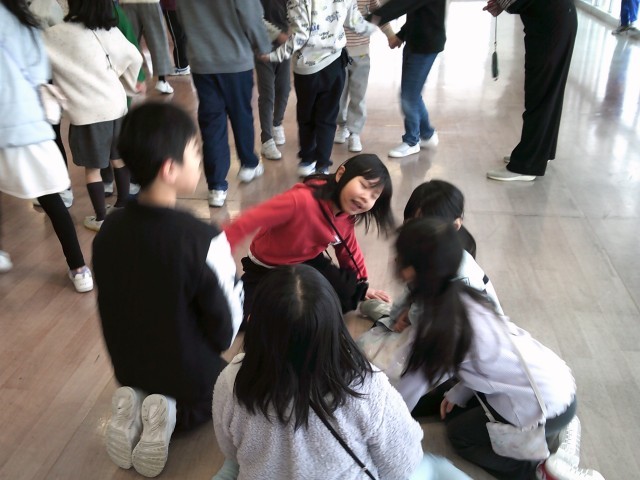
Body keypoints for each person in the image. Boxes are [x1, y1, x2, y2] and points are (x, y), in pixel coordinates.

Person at [387, 218, 604, 480]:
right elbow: (486, 360)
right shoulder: (464, 293)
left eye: (400, 256)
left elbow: (406, 393)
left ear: (414, 270)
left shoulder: (439, 328)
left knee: (460, 435)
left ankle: (538, 471)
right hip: (556, 383)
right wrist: (459, 392)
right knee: (452, 407)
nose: (395, 261)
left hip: (545, 408)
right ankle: (559, 438)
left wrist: (380, 424)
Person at [93, 102, 244, 477]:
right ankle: (172, 415)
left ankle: (137, 403)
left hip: (129, 368)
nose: (200, 160)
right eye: (195, 152)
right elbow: (226, 329)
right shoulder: (202, 239)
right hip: (188, 380)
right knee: (229, 383)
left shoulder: (109, 230)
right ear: (170, 169)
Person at [211, 264, 472, 480]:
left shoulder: (230, 381)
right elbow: (402, 464)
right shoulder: (367, 385)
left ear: (253, 323)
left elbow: (230, 450)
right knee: (435, 468)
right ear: (337, 328)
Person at [223, 154, 394, 320]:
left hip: (307, 261)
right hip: (267, 266)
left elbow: (349, 250)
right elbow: (250, 219)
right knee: (235, 317)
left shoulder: (346, 217)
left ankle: (293, 306)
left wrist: (362, 286)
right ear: (341, 174)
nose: (365, 197)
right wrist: (221, 250)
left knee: (348, 296)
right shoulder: (301, 200)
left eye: (374, 195)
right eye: (363, 186)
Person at [0, 0, 93, 292]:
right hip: (30, 120)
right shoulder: (22, 18)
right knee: (51, 199)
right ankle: (79, 269)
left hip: (7, 122)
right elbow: (40, 70)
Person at [43, 0, 142, 231]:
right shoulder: (109, 31)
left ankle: (101, 218)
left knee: (93, 169)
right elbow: (135, 57)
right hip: (116, 105)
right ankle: (122, 208)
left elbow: (38, 63)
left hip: (86, 113)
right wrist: (127, 84)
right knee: (119, 159)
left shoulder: (53, 35)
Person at [258, 0, 377, 177]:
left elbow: (301, 36)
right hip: (334, 64)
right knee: (328, 118)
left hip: (307, 69)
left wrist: (275, 56)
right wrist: (375, 25)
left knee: (306, 116)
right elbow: (356, 23)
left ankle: (307, 160)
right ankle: (323, 164)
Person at [177, 0, 271, 208]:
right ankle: (248, 163)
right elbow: (250, 16)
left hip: (202, 62)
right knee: (241, 114)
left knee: (212, 122)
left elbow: (181, 17)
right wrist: (263, 46)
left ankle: (216, 186)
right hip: (235, 59)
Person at [484, 0, 578, 182]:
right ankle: (540, 153)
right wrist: (503, 4)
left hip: (551, 25)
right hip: (557, 19)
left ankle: (527, 164)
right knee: (548, 93)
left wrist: (503, 3)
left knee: (540, 95)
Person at [367, 0, 445, 158]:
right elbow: (416, 13)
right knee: (412, 94)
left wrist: (370, 19)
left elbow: (402, 4)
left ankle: (412, 141)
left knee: (409, 96)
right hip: (416, 41)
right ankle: (427, 134)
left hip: (425, 46)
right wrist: (401, 35)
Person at [334, 0, 395, 153]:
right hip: (337, 53)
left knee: (358, 95)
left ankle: (354, 132)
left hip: (361, 54)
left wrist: (391, 35)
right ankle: (342, 125)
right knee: (337, 95)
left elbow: (380, 15)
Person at [255, 0, 290, 161]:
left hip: (285, 46)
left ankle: (277, 123)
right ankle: (267, 139)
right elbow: (253, 17)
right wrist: (277, 35)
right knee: (267, 93)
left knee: (284, 88)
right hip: (262, 46)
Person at [119, 0, 175, 93]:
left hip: (126, 2)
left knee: (129, 41)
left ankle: (128, 80)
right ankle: (162, 81)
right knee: (157, 39)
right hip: (150, 2)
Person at [160, 0, 190, 75]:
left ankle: (181, 66)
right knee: (182, 35)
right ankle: (184, 64)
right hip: (181, 6)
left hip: (171, 6)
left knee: (178, 36)